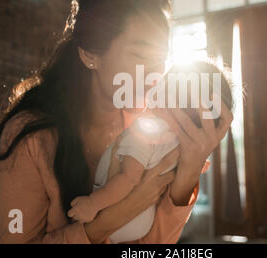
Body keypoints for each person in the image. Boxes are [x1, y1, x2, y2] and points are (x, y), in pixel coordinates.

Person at [0, 0, 233, 244]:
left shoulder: (144, 125)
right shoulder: (31, 137)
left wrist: (188, 172)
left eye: (161, 60)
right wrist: (110, 219)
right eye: (140, 57)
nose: (156, 75)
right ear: (89, 55)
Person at [67, 61, 233, 243]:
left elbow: (128, 178)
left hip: (115, 220)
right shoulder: (176, 146)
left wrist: (92, 203)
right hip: (137, 227)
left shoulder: (144, 133)